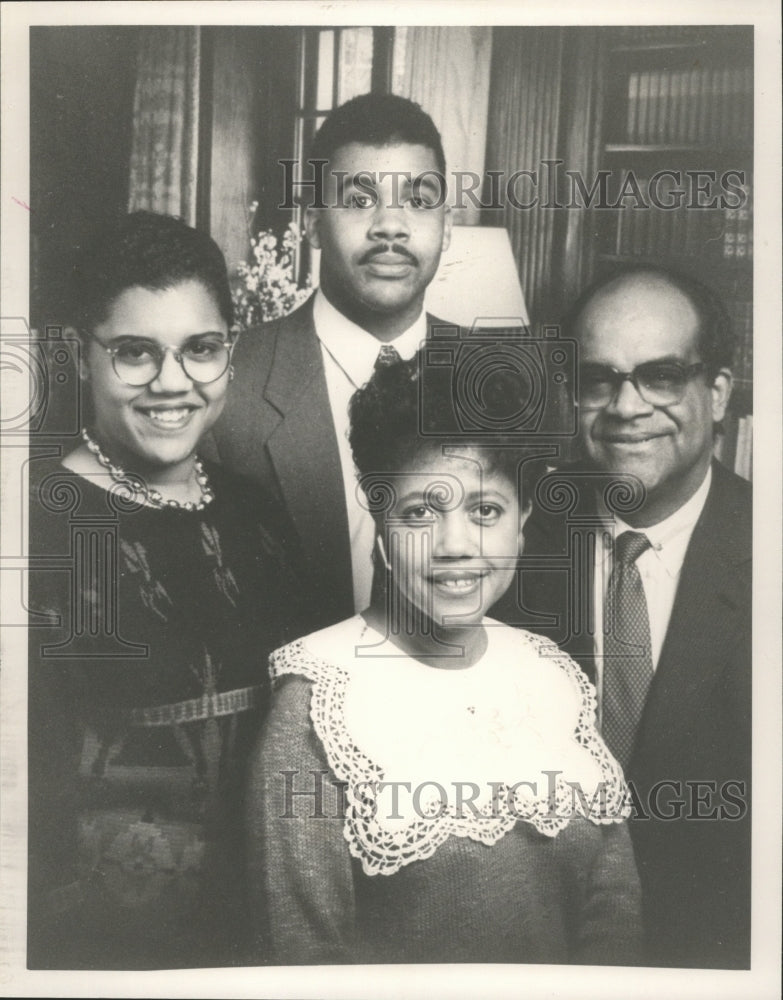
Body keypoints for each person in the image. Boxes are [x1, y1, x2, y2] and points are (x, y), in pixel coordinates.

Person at [245, 350, 642, 965]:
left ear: (523, 521)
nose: (455, 547)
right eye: (420, 512)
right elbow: (300, 953)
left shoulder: (553, 675)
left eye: (485, 511)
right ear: (379, 522)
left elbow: (614, 912)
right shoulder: (316, 701)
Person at [27, 211, 299, 969]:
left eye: (200, 349)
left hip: (266, 940)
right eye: (135, 353)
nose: (173, 382)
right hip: (100, 955)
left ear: (229, 357)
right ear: (83, 357)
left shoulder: (257, 510)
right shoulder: (33, 526)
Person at [505, 265, 751, 968]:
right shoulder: (509, 551)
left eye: (661, 376)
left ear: (719, 393)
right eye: (597, 379)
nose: (625, 405)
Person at [209, 93, 454, 632]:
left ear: (447, 223)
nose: (391, 226)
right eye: (360, 199)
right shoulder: (224, 389)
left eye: (418, 200)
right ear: (315, 224)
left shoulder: (502, 383)